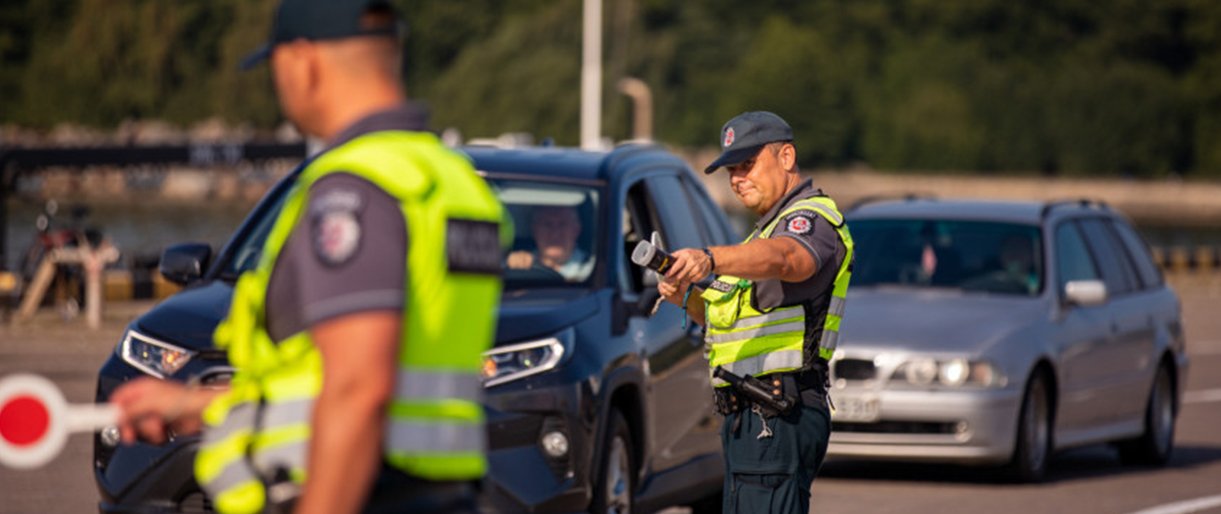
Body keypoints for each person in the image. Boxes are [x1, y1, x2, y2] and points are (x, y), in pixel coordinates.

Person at [108, 1, 508, 513]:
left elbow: (359, 390)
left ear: (302, 60)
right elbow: (358, 381)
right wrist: (197, 404)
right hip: (440, 494)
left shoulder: (356, 188)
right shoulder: (448, 181)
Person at [656, 111, 854, 514]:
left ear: (786, 157)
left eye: (747, 164)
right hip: (755, 418)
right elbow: (726, 325)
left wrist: (709, 259)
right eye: (731, 169)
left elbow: (787, 259)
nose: (736, 178)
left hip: (778, 412)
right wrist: (684, 298)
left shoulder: (808, 220)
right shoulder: (760, 236)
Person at [505, 205, 592, 280]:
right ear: (534, 230)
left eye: (562, 224)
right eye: (547, 224)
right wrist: (510, 269)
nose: (555, 233)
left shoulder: (593, 270)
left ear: (576, 229)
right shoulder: (516, 265)